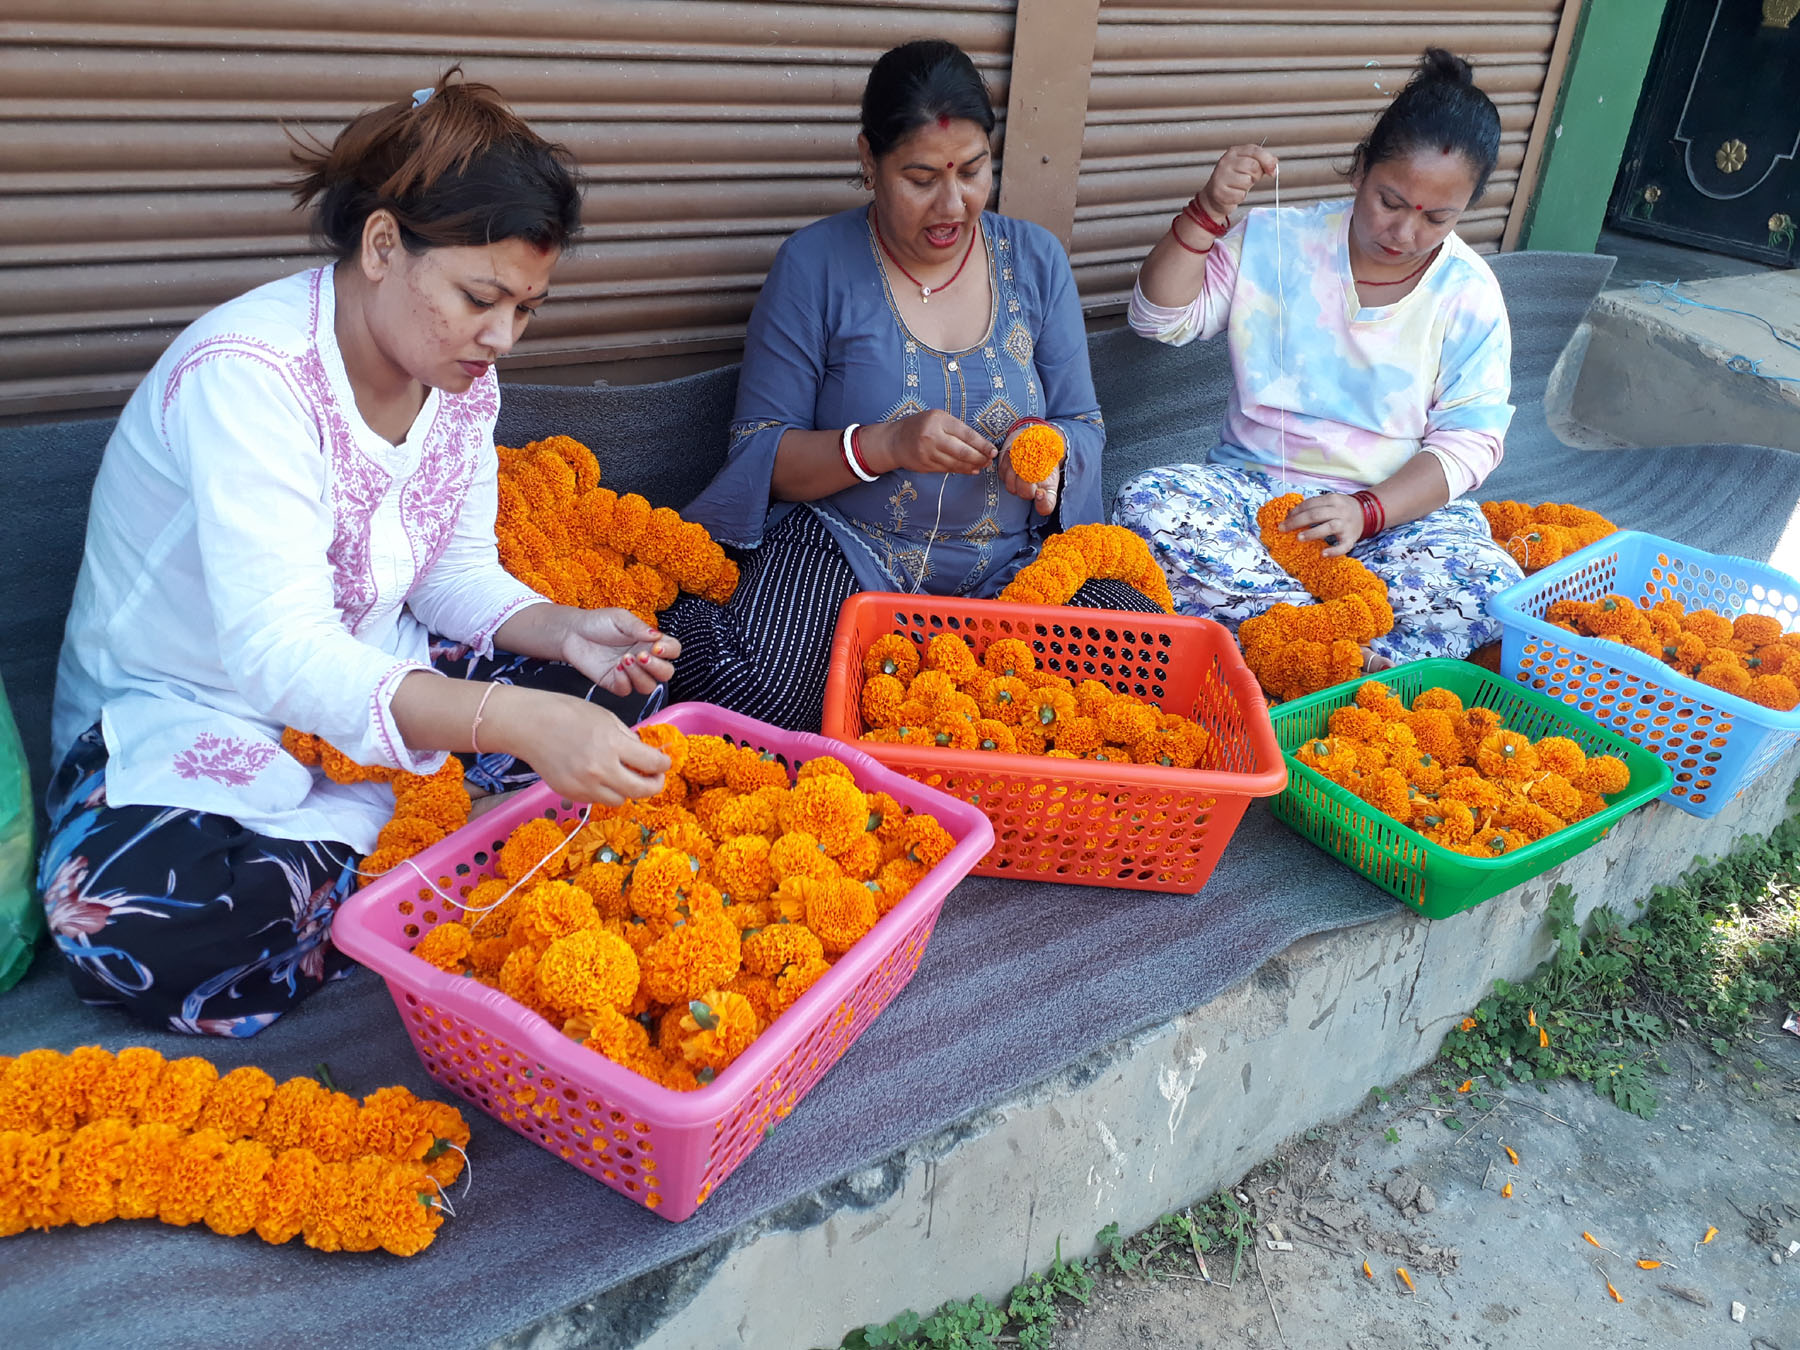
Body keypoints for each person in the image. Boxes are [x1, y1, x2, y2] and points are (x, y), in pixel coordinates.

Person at [40, 71, 681, 1036]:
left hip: (374, 661)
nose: (502, 338)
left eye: (528, 310)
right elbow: (279, 655)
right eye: (480, 297)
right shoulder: (247, 381)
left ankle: (396, 860)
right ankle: (438, 854)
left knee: (622, 693)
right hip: (192, 706)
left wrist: (563, 631)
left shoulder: (460, 380)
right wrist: (509, 721)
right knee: (140, 933)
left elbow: (453, 570)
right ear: (384, 245)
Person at [668, 38, 1161, 732]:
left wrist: (1045, 455)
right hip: (850, 553)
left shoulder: (1036, 262)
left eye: (972, 171)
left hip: (1014, 568)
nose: (952, 205)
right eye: (921, 177)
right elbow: (760, 456)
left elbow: (1082, 421)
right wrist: (885, 444)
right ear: (868, 161)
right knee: (758, 692)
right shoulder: (815, 266)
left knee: (1141, 668)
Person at [1112, 49, 1524, 669]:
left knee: (1493, 588)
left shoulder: (1468, 292)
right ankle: (1345, 653)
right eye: (1390, 200)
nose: (1405, 232)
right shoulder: (1276, 240)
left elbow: (1470, 443)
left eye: (1437, 217)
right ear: (1359, 170)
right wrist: (1206, 214)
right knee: (1147, 503)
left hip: (1384, 523)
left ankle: (1271, 643)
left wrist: (1369, 511)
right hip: (1247, 506)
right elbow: (1158, 318)